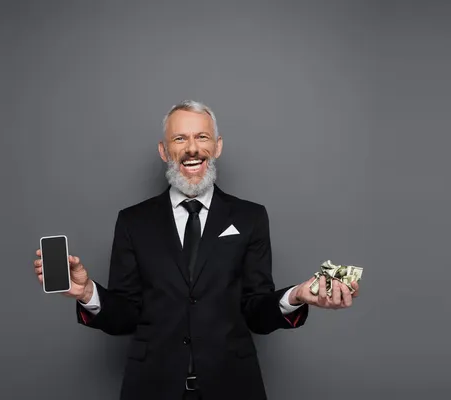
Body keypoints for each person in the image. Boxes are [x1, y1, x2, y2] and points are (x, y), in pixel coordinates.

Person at [33, 100, 360, 400]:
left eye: (202, 137)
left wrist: (299, 295)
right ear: (164, 150)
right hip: (152, 388)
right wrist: (87, 291)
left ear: (216, 146)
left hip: (233, 387)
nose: (192, 149)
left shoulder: (250, 217)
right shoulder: (133, 221)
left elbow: (257, 312)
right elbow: (124, 317)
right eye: (180, 139)